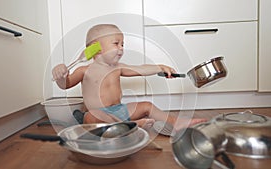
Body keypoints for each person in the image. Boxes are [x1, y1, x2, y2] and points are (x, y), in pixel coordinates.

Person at [52, 24, 206, 130]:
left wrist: (159, 67)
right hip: (99, 114)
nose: (121, 48)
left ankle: (176, 122)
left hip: (119, 111)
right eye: (116, 43)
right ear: (96, 49)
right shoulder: (84, 70)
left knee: (147, 105)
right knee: (89, 117)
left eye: (122, 44)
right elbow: (66, 84)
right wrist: (60, 76)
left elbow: (140, 69)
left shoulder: (118, 67)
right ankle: (130, 125)